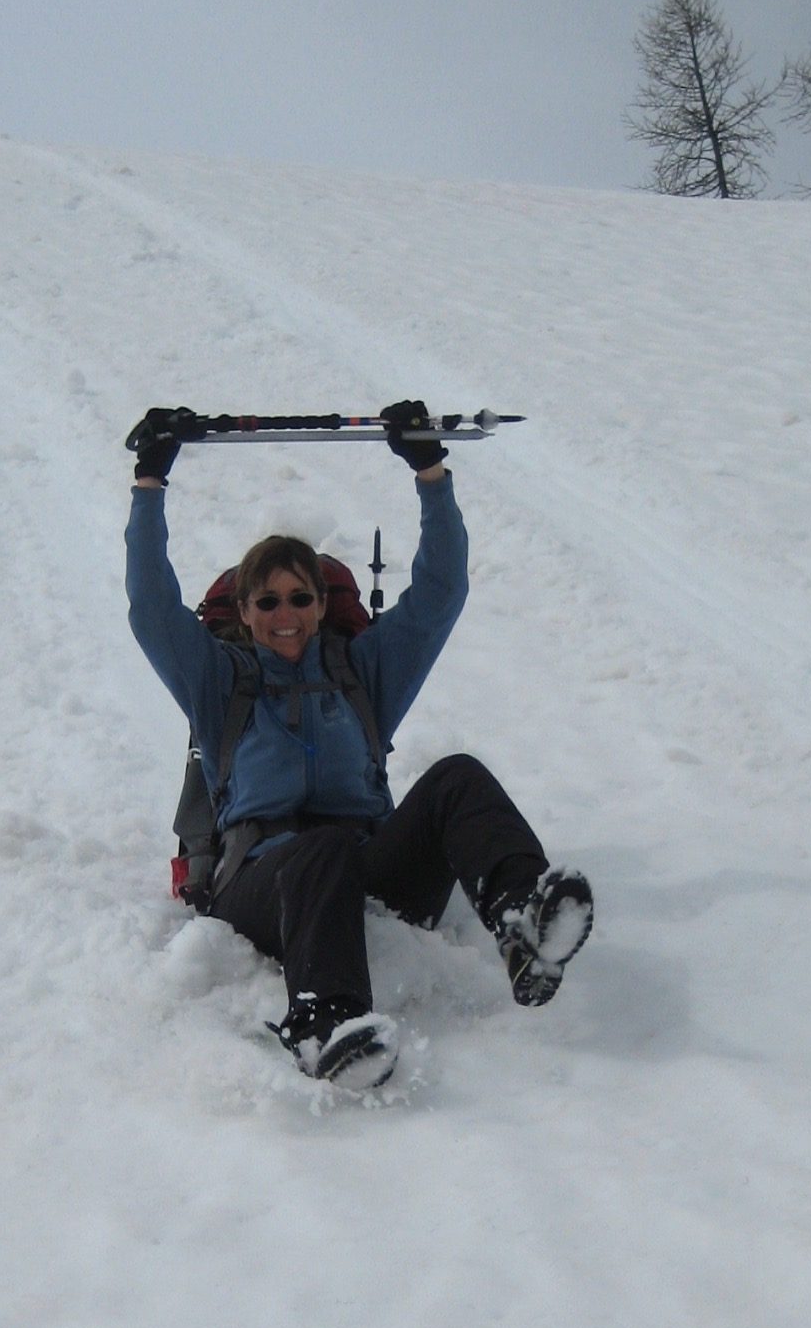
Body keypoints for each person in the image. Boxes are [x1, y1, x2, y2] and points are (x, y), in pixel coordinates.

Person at [125, 401, 593, 1089]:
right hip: (266, 890)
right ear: (244, 612)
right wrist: (149, 483)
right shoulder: (219, 682)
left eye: (300, 597)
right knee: (318, 848)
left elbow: (440, 592)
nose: (285, 615)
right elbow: (151, 605)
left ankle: (522, 922)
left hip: (367, 869)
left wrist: (430, 472)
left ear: (321, 603)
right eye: (268, 601)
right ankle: (325, 1023)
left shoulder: (361, 673)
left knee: (457, 778)